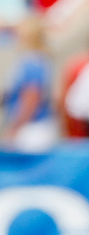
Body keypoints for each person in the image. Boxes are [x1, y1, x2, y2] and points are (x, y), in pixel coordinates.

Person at [1, 14, 53, 151]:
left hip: (31, 129)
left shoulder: (33, 61)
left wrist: (15, 127)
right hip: (27, 127)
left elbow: (31, 99)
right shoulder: (28, 59)